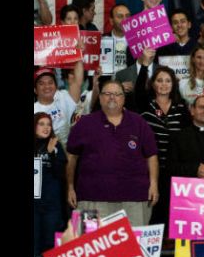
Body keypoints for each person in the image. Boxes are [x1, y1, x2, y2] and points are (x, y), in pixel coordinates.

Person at [66, 78, 159, 227]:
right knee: (90, 247)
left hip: (134, 198)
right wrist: (70, 187)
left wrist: (153, 184)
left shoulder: (139, 123)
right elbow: (72, 157)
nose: (112, 97)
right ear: (100, 97)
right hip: (91, 197)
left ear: (124, 98)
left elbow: (151, 155)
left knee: (134, 247)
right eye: (107, 93)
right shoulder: (84, 123)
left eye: (117, 94)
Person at [135, 65, 191, 228]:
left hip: (175, 170)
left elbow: (187, 138)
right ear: (152, 84)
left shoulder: (181, 107)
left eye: (168, 81)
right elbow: (138, 89)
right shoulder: (146, 105)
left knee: (173, 214)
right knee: (153, 215)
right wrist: (144, 66)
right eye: (159, 80)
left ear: (173, 84)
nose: (164, 84)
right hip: (149, 170)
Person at [34, 113, 67, 257]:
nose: (46, 127)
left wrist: (52, 154)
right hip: (34, 205)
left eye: (48, 124)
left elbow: (60, 174)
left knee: (50, 245)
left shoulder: (56, 145)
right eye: (41, 124)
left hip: (51, 204)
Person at [33, 65, 83, 147]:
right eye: (41, 83)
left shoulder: (63, 98)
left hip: (66, 153)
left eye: (50, 82)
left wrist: (78, 55)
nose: (47, 86)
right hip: (42, 156)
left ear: (56, 86)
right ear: (35, 90)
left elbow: (77, 83)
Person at [115, 47, 159, 112]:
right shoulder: (121, 75)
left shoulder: (165, 72)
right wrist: (119, 89)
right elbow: (114, 99)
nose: (150, 51)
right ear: (136, 50)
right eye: (146, 48)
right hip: (133, 116)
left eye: (152, 47)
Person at [106, 3, 132, 73]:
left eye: (127, 16)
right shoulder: (101, 40)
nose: (125, 20)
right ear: (111, 21)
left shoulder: (138, 40)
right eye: (120, 16)